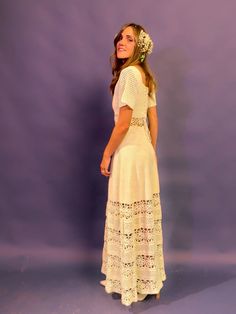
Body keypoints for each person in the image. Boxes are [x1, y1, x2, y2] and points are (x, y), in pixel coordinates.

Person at [99, 22, 166, 307]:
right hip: (145, 155)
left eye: (129, 39)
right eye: (120, 37)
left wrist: (106, 154)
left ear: (139, 47)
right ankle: (150, 281)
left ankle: (129, 284)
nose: (121, 42)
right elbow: (153, 120)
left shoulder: (128, 74)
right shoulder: (145, 76)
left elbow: (123, 123)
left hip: (127, 154)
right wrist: (149, 151)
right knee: (144, 218)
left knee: (128, 215)